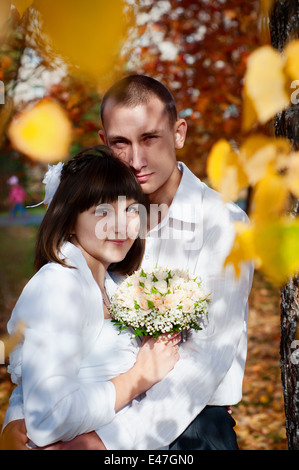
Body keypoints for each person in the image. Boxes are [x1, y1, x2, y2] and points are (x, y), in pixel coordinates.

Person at [2, 75, 254, 450]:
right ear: (105, 143)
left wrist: (100, 443)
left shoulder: (223, 224)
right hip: (84, 417)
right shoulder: (99, 226)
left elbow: (204, 361)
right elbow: (54, 340)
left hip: (185, 429)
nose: (137, 160)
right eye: (122, 142)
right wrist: (17, 417)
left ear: (179, 132)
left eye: (150, 138)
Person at [0, 145, 181, 449]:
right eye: (102, 210)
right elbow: (47, 417)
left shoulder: (116, 287)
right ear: (70, 220)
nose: (122, 224)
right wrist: (138, 377)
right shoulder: (58, 286)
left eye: (131, 210)